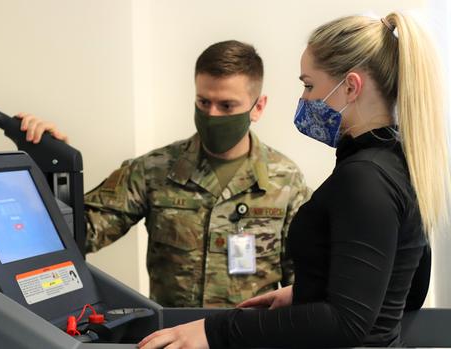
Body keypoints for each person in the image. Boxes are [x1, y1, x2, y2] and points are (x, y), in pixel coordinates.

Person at [138, 12, 450, 348]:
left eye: (309, 85)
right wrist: (308, 292)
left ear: (350, 86)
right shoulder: (399, 163)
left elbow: (345, 323)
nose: (304, 99)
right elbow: (407, 291)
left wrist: (215, 330)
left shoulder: (364, 178)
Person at [17, 40, 311, 308]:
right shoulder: (154, 170)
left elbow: (304, 280)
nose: (212, 115)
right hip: (175, 336)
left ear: (257, 107)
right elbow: (76, 235)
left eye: (227, 105)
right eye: (203, 102)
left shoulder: (284, 179)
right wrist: (53, 168)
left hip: (250, 337)